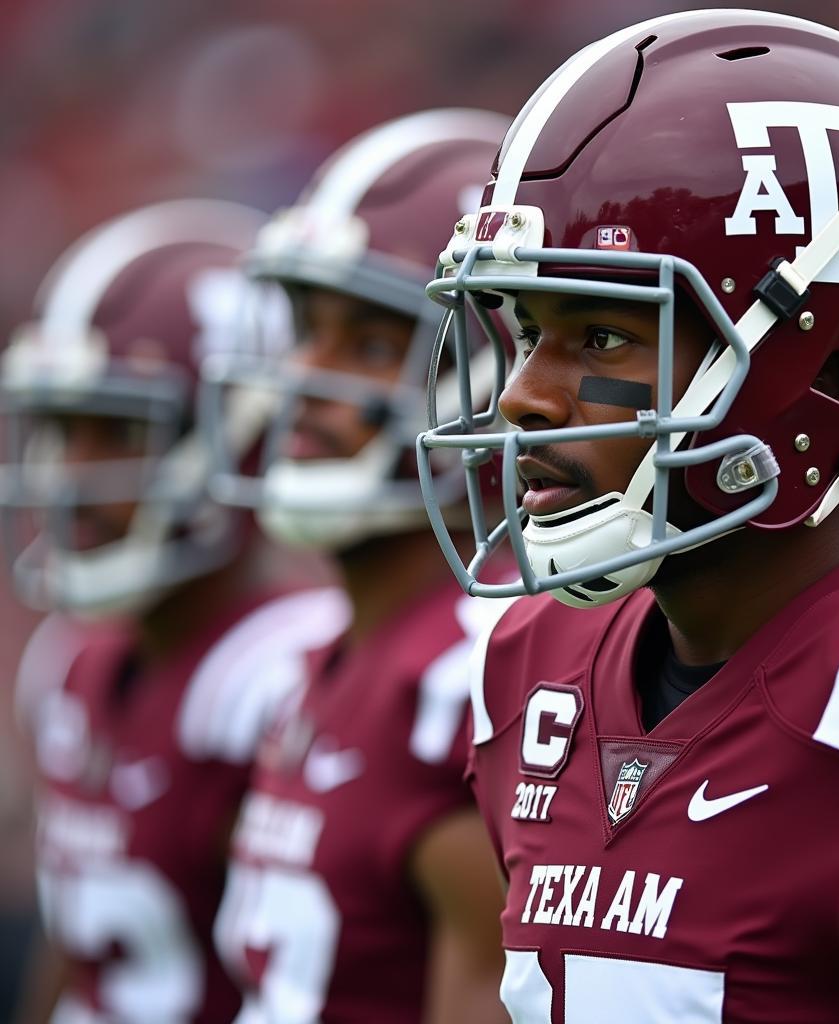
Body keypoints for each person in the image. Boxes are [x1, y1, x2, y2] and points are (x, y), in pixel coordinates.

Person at [416, 11, 839, 1022]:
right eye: (527, 330)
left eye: (602, 334)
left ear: (827, 364)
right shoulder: (532, 672)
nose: (521, 394)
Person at [3, 200, 348, 1024]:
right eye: (61, 430)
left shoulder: (278, 674)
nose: (71, 474)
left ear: (239, 431)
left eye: (114, 429)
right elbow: (78, 947)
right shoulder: (68, 662)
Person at [202, 108, 511, 1024]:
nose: (306, 379)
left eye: (372, 345)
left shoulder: (469, 683)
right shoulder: (329, 659)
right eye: (307, 331)